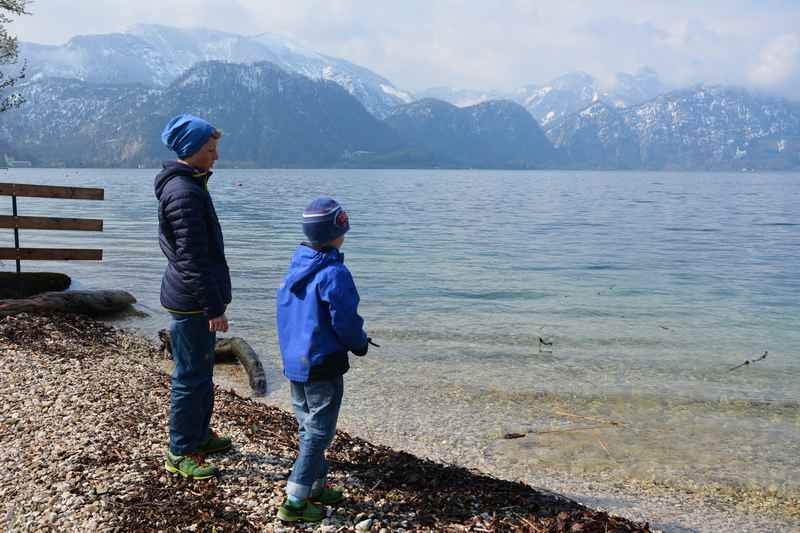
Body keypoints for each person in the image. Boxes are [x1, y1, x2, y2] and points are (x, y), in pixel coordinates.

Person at [275, 197, 371, 523]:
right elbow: (345, 320)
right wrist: (359, 344)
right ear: (336, 231)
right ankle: (295, 500)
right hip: (323, 362)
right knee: (319, 431)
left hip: (295, 361)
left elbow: (290, 314)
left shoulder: (297, 264)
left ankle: (316, 484)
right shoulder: (334, 273)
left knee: (307, 423)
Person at [155, 113, 233, 480]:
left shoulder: (192, 185)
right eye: (210, 148)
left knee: (202, 370)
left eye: (215, 147)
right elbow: (191, 257)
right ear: (191, 150)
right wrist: (212, 306)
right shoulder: (184, 191)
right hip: (192, 301)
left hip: (193, 296)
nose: (216, 155)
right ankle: (180, 451)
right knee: (190, 375)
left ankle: (199, 435)